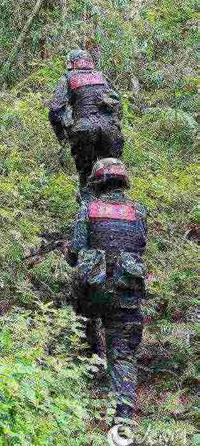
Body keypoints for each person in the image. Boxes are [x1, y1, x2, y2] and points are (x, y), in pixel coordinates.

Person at [66, 158, 147, 423]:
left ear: (97, 182)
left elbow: (76, 252)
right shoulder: (139, 211)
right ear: (123, 181)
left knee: (82, 318)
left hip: (93, 292)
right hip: (126, 293)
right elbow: (140, 246)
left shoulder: (88, 209)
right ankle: (123, 417)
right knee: (123, 353)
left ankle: (91, 365)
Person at [49, 49, 123, 199]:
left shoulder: (68, 78)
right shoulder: (103, 77)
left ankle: (87, 213)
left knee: (86, 177)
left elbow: (55, 110)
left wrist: (62, 136)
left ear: (71, 63)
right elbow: (118, 105)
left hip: (84, 130)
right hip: (111, 132)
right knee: (113, 176)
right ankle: (116, 210)